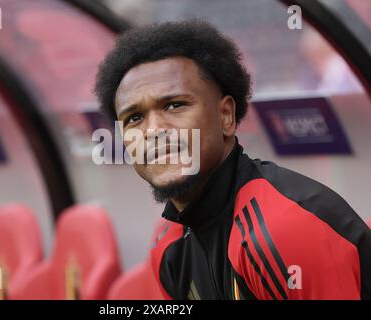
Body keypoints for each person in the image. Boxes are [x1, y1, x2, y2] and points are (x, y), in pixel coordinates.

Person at [94, 19, 371, 300]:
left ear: (226, 115)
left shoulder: (284, 230)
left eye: (175, 105)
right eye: (134, 118)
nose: (153, 131)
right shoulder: (168, 247)